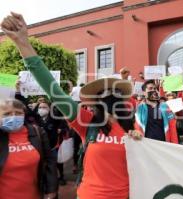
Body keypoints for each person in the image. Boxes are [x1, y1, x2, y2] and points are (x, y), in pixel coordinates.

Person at [1, 12, 142, 199]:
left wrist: (139, 140)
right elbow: (54, 91)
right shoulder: (86, 121)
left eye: (115, 94)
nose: (110, 99)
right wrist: (23, 44)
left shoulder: (134, 126)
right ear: (96, 101)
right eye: (104, 94)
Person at [0, 99, 58, 199]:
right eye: (7, 113)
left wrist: (51, 189)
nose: (13, 116)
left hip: (34, 195)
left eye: (18, 113)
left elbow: (50, 161)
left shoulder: (37, 132)